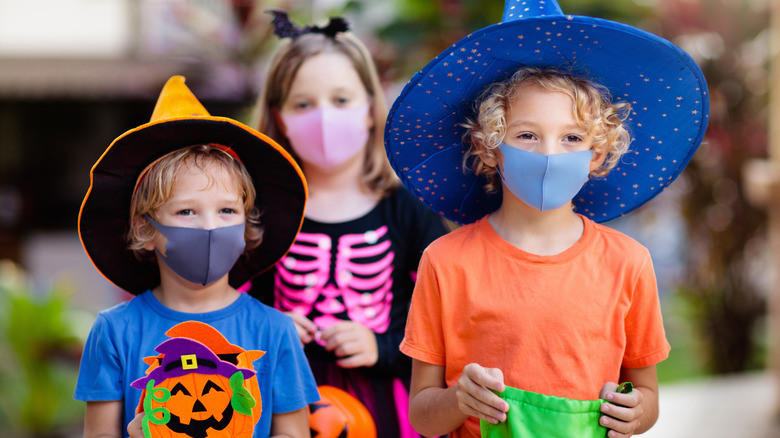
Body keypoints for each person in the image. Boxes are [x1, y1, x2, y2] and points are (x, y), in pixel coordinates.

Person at [384, 1, 710, 437]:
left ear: (597, 153)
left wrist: (636, 413)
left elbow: (646, 397)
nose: (549, 154)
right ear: (489, 147)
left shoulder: (628, 263)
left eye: (571, 137)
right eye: (526, 135)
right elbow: (422, 416)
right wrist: (458, 398)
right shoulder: (444, 262)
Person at [73, 75, 319, 438]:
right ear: (145, 229)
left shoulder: (275, 330)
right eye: (187, 212)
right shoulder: (113, 331)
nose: (209, 228)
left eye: (227, 212)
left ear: (247, 225)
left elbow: (294, 433)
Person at [246, 11, 449, 437]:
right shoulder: (257, 211)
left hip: (388, 404)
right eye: (303, 104)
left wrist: (383, 345)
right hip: (277, 400)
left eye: (341, 100)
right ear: (280, 117)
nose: (323, 117)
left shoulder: (409, 209)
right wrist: (266, 327)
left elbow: (443, 318)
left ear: (372, 109)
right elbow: (225, 301)